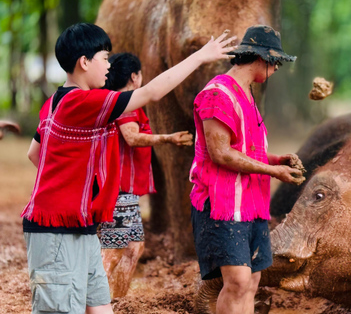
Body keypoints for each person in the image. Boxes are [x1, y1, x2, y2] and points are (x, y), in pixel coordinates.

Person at [21, 23, 236, 314]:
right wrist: (199, 56)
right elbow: (151, 93)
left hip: (77, 226)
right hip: (56, 232)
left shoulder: (53, 102)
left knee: (100, 308)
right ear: (84, 62)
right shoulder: (82, 101)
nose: (109, 66)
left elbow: (35, 154)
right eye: (105, 58)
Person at [189, 25, 305, 314]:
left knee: (252, 280)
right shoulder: (217, 94)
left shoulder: (248, 95)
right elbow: (221, 153)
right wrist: (272, 172)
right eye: (276, 62)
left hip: (251, 203)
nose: (276, 69)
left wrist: (276, 160)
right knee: (238, 282)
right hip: (222, 203)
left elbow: (247, 150)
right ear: (262, 59)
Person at [98, 52, 193, 298]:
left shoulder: (120, 101)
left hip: (123, 189)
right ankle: (92, 302)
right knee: (114, 248)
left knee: (134, 247)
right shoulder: (125, 103)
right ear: (134, 76)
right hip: (117, 188)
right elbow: (131, 136)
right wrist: (167, 138)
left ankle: (115, 299)